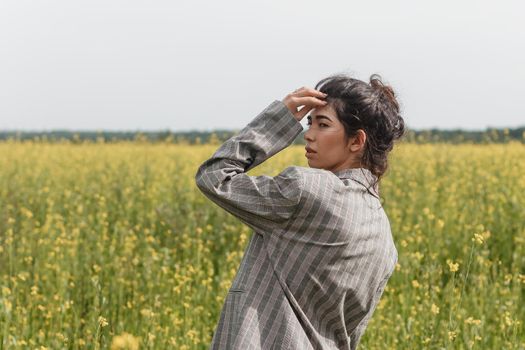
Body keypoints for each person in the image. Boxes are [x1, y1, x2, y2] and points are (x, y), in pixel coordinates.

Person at [195, 72, 405, 349]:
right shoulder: (383, 237)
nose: (308, 135)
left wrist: (279, 119)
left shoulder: (306, 191)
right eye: (309, 123)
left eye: (323, 124)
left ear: (356, 141)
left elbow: (215, 176)